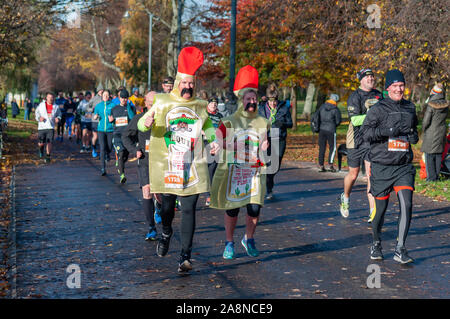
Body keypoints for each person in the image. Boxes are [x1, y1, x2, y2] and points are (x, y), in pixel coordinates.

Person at [138, 47, 216, 274]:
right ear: (178, 84)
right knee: (168, 208)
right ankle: (165, 232)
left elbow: (209, 128)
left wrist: (214, 141)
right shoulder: (162, 101)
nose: (188, 87)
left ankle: (185, 256)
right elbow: (142, 124)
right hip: (167, 165)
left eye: (192, 84)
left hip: (192, 164)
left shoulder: (200, 107)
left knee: (190, 208)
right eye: (185, 83)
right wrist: (149, 121)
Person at [210, 65, 270, 259]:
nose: (251, 102)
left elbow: (263, 139)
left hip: (254, 171)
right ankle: (229, 243)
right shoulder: (229, 120)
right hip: (234, 172)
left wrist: (265, 143)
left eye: (253, 99)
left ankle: (249, 239)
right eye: (248, 99)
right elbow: (218, 138)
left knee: (254, 207)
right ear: (241, 100)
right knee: (233, 209)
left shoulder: (262, 121)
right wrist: (225, 145)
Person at [361, 69, 418, 264]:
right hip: (382, 166)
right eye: (395, 86)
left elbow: (414, 130)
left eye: (401, 85)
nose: (399, 89)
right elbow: (365, 133)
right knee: (380, 210)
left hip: (403, 166)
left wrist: (413, 136)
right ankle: (376, 242)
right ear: (387, 88)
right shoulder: (378, 109)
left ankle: (400, 248)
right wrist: (389, 130)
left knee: (407, 204)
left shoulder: (410, 107)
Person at [340, 68, 382, 219]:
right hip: (356, 140)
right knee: (353, 174)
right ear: (361, 80)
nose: (371, 79)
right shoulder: (354, 97)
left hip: (371, 140)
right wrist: (374, 116)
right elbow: (355, 120)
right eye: (367, 77)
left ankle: (373, 212)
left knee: (371, 175)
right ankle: (345, 197)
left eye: (372, 76)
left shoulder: (379, 95)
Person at [123, 91, 161, 240]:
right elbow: (125, 136)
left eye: (156, 103)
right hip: (145, 160)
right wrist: (135, 150)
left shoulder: (165, 119)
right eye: (151, 103)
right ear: (146, 103)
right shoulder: (139, 119)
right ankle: (151, 228)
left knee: (160, 196)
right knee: (147, 191)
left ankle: (159, 208)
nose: (153, 106)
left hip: (161, 162)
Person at [258, 86, 293, 200]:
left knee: (275, 166)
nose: (273, 104)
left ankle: (269, 181)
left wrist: (282, 124)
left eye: (275, 101)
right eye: (271, 101)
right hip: (266, 138)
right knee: (268, 165)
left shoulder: (284, 108)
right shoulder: (262, 108)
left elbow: (290, 123)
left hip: (279, 138)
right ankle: (268, 189)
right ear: (267, 99)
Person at [420, 83, 449, 182]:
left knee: (429, 156)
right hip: (441, 133)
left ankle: (430, 178)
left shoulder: (431, 105)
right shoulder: (445, 105)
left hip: (431, 133)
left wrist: (423, 129)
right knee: (438, 155)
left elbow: (426, 121)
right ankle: (436, 177)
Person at [109, 89, 136, 183]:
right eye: (122, 98)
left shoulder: (131, 108)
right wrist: (111, 121)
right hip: (117, 136)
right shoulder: (114, 109)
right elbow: (112, 122)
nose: (124, 100)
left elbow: (133, 119)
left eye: (126, 98)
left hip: (127, 136)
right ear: (119, 98)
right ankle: (122, 175)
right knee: (121, 153)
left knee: (125, 156)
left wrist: (128, 107)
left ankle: (120, 164)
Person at [205, 96, 223, 206]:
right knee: (209, 167)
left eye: (215, 104)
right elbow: (199, 127)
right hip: (205, 142)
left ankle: (211, 194)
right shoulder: (205, 114)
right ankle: (209, 195)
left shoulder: (220, 116)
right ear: (207, 104)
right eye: (211, 103)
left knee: (214, 167)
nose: (213, 105)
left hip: (217, 143)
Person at [317, 94, 342, 172]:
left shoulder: (322, 107)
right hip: (331, 130)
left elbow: (317, 117)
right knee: (333, 148)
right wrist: (334, 124)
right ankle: (330, 165)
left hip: (322, 129)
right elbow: (338, 121)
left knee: (322, 148)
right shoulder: (336, 109)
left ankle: (321, 165)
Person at [35, 92, 62, 163]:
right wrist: (39, 118)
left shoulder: (56, 106)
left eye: (52, 97)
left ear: (54, 98)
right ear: (46, 98)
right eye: (49, 97)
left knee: (49, 142)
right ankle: (41, 150)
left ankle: (48, 156)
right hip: (42, 126)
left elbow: (59, 114)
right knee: (41, 143)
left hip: (50, 127)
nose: (50, 99)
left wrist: (58, 118)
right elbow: (36, 113)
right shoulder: (41, 105)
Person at [93, 89, 115, 175]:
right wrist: (95, 117)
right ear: (101, 96)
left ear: (109, 96)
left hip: (110, 129)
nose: (105, 96)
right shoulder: (98, 106)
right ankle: (103, 168)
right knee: (102, 148)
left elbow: (116, 116)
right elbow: (95, 115)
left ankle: (108, 153)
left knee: (109, 147)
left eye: (107, 95)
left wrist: (113, 119)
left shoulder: (113, 105)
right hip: (101, 130)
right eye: (104, 95)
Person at [88, 88, 104, 157]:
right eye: (100, 90)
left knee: (102, 137)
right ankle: (94, 148)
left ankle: (102, 152)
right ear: (98, 91)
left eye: (102, 90)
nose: (101, 91)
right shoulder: (94, 99)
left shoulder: (105, 98)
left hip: (103, 120)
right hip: (95, 120)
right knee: (96, 136)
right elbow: (87, 107)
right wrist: (92, 109)